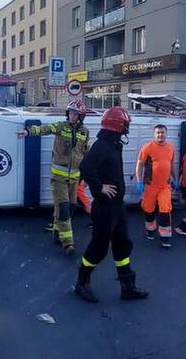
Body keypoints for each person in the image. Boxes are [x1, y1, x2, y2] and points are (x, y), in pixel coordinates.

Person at [74, 106, 148, 303]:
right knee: (98, 247)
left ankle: (127, 286)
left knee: (123, 244)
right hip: (105, 207)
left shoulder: (115, 144)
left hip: (116, 207)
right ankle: (82, 283)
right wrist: (99, 188)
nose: (127, 128)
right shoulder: (102, 145)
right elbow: (85, 167)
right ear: (117, 126)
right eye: (125, 125)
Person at [17, 99, 89, 255]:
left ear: (81, 116)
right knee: (63, 208)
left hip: (74, 179)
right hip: (59, 177)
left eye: (75, 114)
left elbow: (85, 154)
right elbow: (45, 128)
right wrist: (28, 131)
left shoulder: (84, 132)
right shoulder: (60, 126)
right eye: (70, 113)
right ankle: (68, 242)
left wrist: (87, 175)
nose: (72, 116)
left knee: (69, 208)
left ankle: (57, 230)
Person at [135, 124, 176, 249]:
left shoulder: (170, 148)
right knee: (148, 209)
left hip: (165, 187)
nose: (160, 135)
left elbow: (170, 165)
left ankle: (165, 237)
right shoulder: (147, 147)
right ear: (154, 134)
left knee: (165, 210)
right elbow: (140, 165)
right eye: (158, 132)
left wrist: (174, 179)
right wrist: (139, 182)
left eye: (162, 132)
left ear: (166, 133)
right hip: (150, 185)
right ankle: (150, 229)